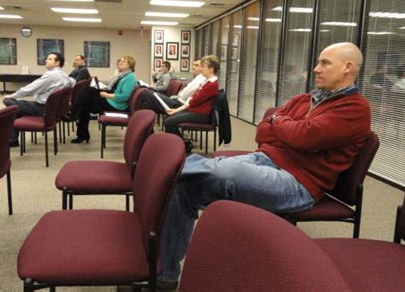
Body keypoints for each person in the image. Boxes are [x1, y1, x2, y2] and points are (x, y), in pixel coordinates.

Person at [157, 42, 371, 289]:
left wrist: (279, 122)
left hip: (299, 184)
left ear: (348, 67)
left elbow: (303, 136)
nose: (315, 69)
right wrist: (285, 126)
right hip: (266, 159)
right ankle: (166, 274)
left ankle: (159, 172)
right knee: (186, 186)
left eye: (324, 63)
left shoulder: (355, 109)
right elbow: (262, 132)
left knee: (226, 170)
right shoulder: (305, 99)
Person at [3, 52, 75, 146]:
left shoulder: (51, 75)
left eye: (50, 59)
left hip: (42, 108)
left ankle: (12, 140)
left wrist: (13, 95)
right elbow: (74, 82)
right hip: (53, 109)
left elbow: (31, 88)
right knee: (17, 110)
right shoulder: (64, 76)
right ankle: (12, 140)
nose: (46, 60)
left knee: (8, 102)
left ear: (57, 63)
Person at [71, 55, 137, 144]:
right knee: (87, 92)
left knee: (85, 103)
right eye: (119, 61)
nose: (120, 63)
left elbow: (124, 96)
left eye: (123, 62)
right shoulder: (122, 75)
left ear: (130, 65)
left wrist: (106, 95)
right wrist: (107, 94)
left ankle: (75, 116)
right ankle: (80, 127)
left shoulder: (130, 77)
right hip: (112, 99)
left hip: (116, 104)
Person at [163, 55, 219, 138]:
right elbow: (192, 99)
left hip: (201, 115)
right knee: (169, 118)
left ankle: (181, 145)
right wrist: (175, 110)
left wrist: (177, 109)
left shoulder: (212, 84)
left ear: (211, 69)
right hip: (195, 111)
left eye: (203, 67)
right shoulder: (206, 82)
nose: (201, 69)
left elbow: (193, 101)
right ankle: (180, 144)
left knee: (169, 122)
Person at [139, 60, 206, 114]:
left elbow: (185, 94)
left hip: (178, 103)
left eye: (196, 65)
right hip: (176, 99)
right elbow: (157, 82)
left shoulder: (201, 80)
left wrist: (153, 87)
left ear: (202, 67)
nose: (193, 67)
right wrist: (154, 78)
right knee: (146, 104)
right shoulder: (196, 79)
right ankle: (145, 126)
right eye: (193, 65)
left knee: (147, 92)